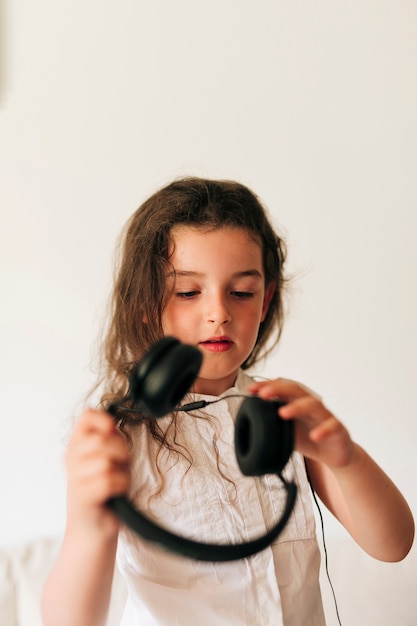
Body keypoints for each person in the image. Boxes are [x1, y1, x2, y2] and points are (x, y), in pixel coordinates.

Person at [42, 177, 414, 626]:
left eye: (241, 292)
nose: (219, 312)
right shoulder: (122, 440)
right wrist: (89, 524)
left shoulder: (281, 415)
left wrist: (346, 458)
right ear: (145, 303)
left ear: (265, 299)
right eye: (187, 292)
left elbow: (393, 546)